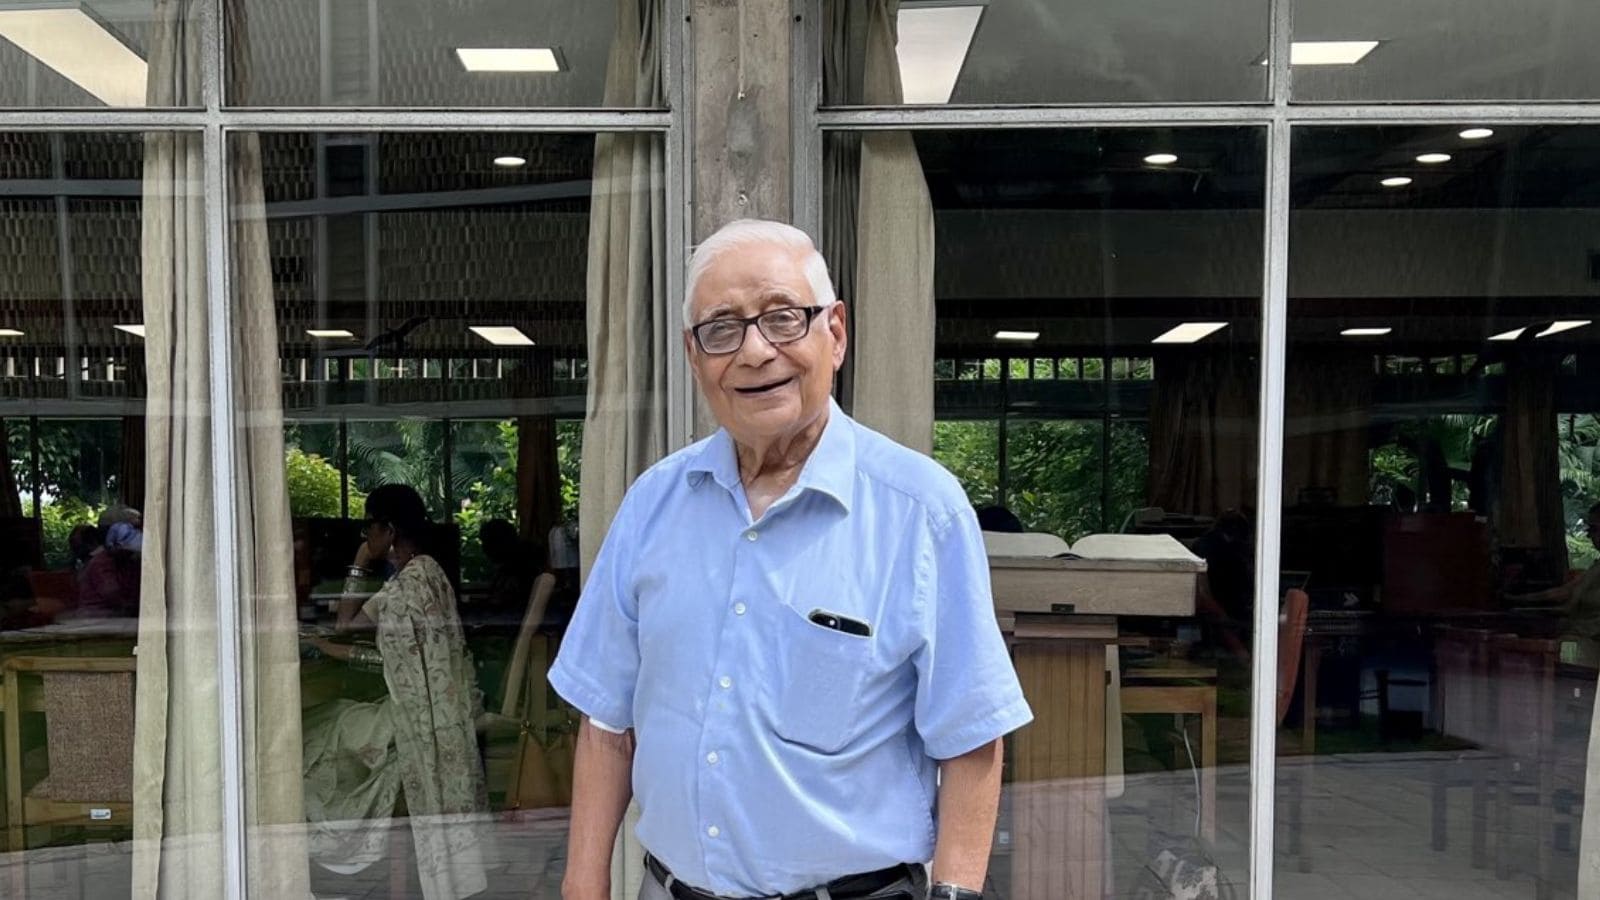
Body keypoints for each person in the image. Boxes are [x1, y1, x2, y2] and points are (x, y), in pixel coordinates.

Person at [549, 219, 1032, 900]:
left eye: (783, 319)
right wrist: (583, 884)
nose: (754, 352)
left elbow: (971, 738)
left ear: (834, 333)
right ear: (694, 357)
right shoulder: (654, 504)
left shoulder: (919, 510)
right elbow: (606, 725)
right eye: (721, 330)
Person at [301, 484, 489, 900]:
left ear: (388, 529)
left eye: (369, 527)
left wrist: (359, 562)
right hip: (438, 715)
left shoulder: (405, 589)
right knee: (337, 715)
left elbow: (348, 626)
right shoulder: (428, 572)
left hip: (410, 724)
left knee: (317, 726)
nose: (365, 536)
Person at [1512, 502, 1600, 637]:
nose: (1589, 536)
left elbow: (1565, 596)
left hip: (1586, 642)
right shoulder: (1596, 567)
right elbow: (1565, 592)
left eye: (1593, 529)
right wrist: (1520, 600)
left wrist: (1518, 601)